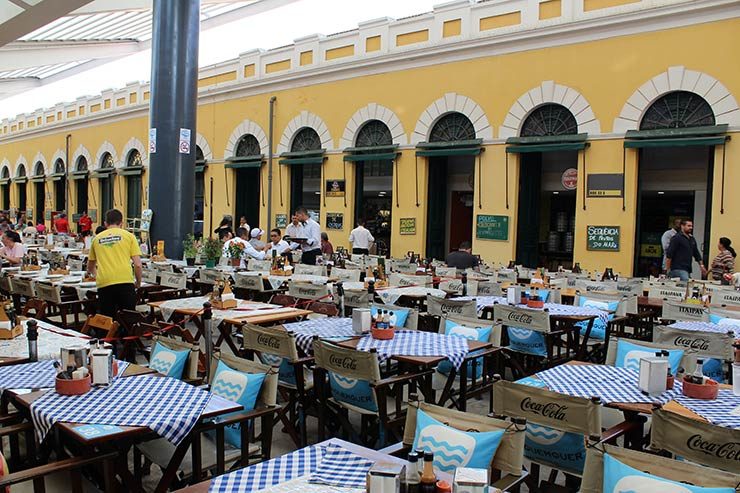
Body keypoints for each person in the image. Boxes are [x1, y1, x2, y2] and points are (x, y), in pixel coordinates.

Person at [86, 209, 142, 317]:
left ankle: (110, 334)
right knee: (128, 318)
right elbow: (138, 264)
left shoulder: (96, 239)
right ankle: (127, 334)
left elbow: (90, 266)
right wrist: (138, 282)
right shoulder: (129, 236)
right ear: (121, 223)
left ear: (105, 223)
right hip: (125, 281)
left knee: (107, 319)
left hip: (104, 283)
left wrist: (97, 275)